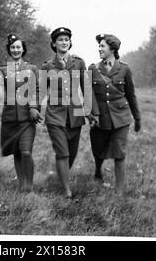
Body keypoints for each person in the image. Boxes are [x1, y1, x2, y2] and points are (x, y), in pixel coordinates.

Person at [41, 27, 100, 198]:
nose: (64, 42)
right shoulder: (47, 66)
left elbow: (86, 89)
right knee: (63, 152)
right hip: (55, 116)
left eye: (66, 39)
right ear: (54, 43)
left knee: (72, 154)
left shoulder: (78, 63)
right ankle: (67, 191)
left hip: (75, 115)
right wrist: (32, 108)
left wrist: (92, 112)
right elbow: (40, 90)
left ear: (70, 43)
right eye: (60, 40)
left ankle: (61, 174)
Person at [88, 34, 141, 196]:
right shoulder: (93, 69)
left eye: (102, 46)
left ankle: (119, 190)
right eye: (99, 46)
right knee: (98, 149)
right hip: (100, 118)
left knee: (120, 152)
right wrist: (92, 114)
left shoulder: (124, 69)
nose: (99, 49)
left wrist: (137, 118)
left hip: (121, 117)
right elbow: (88, 94)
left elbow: (131, 95)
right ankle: (98, 171)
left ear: (112, 49)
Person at [0, 34, 42, 192]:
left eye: (18, 47)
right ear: (9, 50)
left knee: (26, 151)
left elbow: (37, 90)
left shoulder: (32, 69)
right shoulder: (2, 70)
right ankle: (22, 184)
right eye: (13, 47)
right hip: (10, 119)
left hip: (27, 118)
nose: (15, 50)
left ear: (23, 49)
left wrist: (34, 107)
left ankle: (30, 183)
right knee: (17, 152)